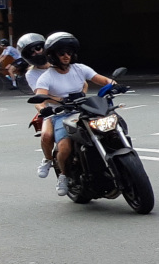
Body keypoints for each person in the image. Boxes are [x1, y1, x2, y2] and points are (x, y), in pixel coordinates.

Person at [34, 32, 117, 197]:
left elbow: (102, 80)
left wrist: (114, 84)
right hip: (62, 114)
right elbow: (39, 99)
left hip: (85, 109)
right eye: (62, 53)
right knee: (64, 147)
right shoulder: (46, 77)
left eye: (69, 52)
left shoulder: (80, 69)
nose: (66, 56)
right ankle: (64, 176)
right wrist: (44, 108)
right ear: (53, 55)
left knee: (112, 125)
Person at [15, 33, 54, 177]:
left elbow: (84, 83)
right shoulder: (31, 74)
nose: (37, 52)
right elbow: (39, 97)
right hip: (54, 108)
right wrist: (45, 110)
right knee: (47, 135)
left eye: (39, 48)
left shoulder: (61, 61)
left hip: (76, 104)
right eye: (32, 51)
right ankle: (48, 159)